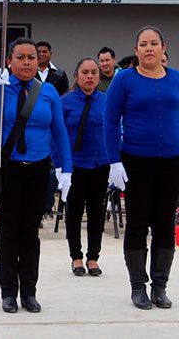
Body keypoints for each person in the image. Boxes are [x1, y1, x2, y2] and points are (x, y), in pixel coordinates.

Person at [0, 37, 72, 314]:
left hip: (39, 169)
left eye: (31, 57)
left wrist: (66, 168)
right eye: (20, 57)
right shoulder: (0, 86)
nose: (27, 62)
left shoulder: (49, 92)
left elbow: (59, 132)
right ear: (10, 60)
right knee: (9, 233)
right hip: (8, 168)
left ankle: (29, 292)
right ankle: (8, 292)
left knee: (31, 233)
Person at [105, 26, 179, 310]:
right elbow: (110, 121)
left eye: (154, 43)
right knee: (137, 223)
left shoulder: (177, 80)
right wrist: (113, 161)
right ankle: (138, 287)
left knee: (163, 224)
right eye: (143, 44)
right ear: (136, 50)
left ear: (163, 48)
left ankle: (160, 286)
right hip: (136, 161)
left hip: (171, 162)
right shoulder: (124, 80)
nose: (149, 48)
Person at [54, 58, 109, 277]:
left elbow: (115, 131)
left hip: (100, 163)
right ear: (76, 76)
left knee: (97, 211)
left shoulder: (107, 101)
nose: (89, 76)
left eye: (94, 72)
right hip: (74, 164)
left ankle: (93, 257)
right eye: (85, 72)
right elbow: (55, 134)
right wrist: (59, 164)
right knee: (74, 211)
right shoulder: (65, 102)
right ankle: (76, 256)